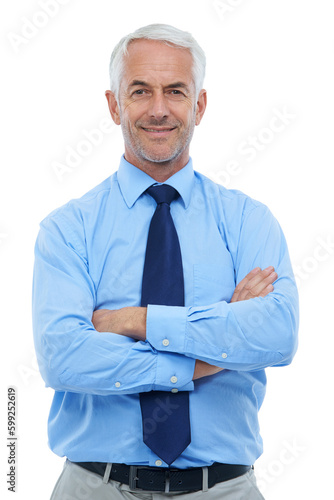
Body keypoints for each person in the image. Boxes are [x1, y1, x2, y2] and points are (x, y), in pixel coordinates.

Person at [32, 23, 299, 499]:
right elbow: (64, 358)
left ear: (198, 105)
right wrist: (208, 359)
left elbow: (276, 335)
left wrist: (132, 321)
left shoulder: (247, 221)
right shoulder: (67, 230)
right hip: (96, 487)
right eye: (140, 91)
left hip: (225, 490)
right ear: (115, 105)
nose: (159, 109)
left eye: (175, 91)